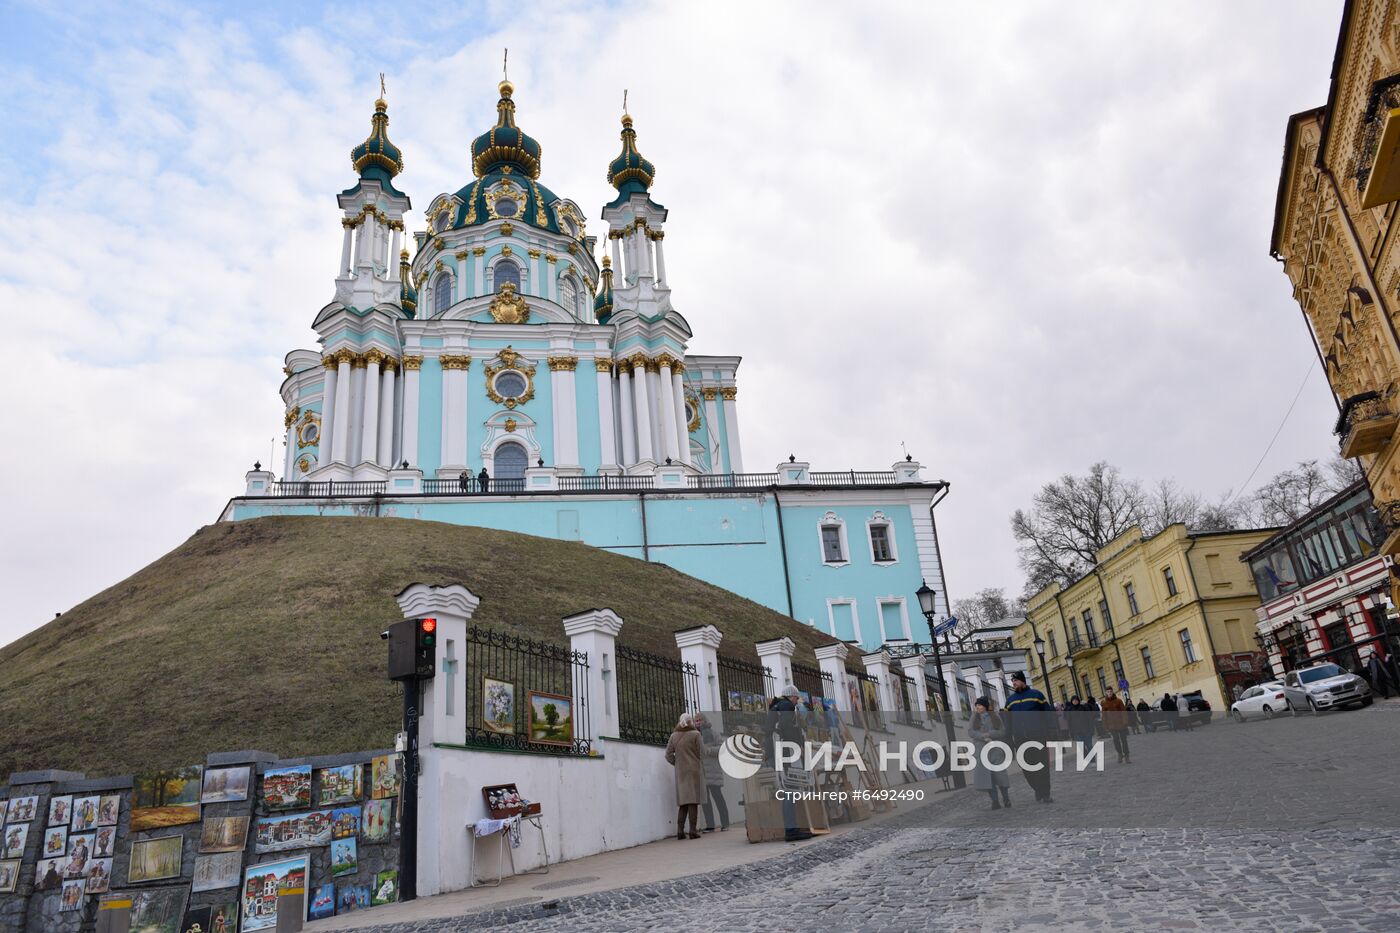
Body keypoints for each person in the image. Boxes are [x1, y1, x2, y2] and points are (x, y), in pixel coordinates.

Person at [766, 684, 813, 841]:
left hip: (776, 751)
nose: (796, 701)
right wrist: (797, 744)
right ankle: (791, 830)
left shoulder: (775, 708)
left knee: (788, 789)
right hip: (785, 752)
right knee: (790, 789)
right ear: (791, 696)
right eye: (795, 698)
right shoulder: (786, 706)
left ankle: (792, 828)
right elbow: (788, 728)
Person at [1004, 671, 1054, 804]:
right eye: (1012, 681)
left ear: (1022, 681)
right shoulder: (1010, 701)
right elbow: (1007, 722)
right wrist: (1008, 738)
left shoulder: (1036, 695)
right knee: (1027, 769)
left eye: (1015, 680)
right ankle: (1037, 788)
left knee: (1042, 767)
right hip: (1020, 740)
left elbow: (1047, 714)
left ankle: (1046, 793)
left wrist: (1050, 732)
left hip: (1037, 737)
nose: (1013, 683)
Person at [664, 712, 706, 840]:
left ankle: (680, 831)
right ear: (690, 722)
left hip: (680, 773)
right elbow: (702, 753)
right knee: (693, 801)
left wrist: (677, 764)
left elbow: (668, 755)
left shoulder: (673, 736)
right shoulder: (696, 734)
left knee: (683, 803)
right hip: (694, 771)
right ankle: (693, 831)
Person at [968, 696, 1011, 809]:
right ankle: (995, 801)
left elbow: (1002, 731)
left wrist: (990, 734)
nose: (978, 707)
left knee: (1000, 776)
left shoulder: (994, 716)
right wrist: (982, 736)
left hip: (995, 750)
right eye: (976, 705)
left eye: (980, 705)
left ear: (985, 706)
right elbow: (971, 732)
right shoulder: (974, 717)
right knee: (988, 778)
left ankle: (1006, 798)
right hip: (981, 751)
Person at [694, 714, 730, 832]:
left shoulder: (713, 733)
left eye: (700, 720)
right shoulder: (695, 735)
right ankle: (710, 825)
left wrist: (709, 750)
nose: (698, 722)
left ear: (705, 720)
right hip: (702, 771)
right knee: (706, 800)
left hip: (713, 770)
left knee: (718, 797)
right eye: (696, 721)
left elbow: (722, 748)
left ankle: (725, 823)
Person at [1100, 686, 1131, 764]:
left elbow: (1124, 712)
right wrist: (1105, 726)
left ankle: (1127, 755)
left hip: (1121, 724)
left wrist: (1125, 722)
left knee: (1124, 740)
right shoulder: (1104, 703)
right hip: (1112, 726)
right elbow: (1104, 716)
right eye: (1108, 692)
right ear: (1106, 693)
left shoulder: (1118, 701)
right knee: (1116, 740)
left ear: (1112, 692)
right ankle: (1120, 754)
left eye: (1110, 691)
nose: (1109, 693)